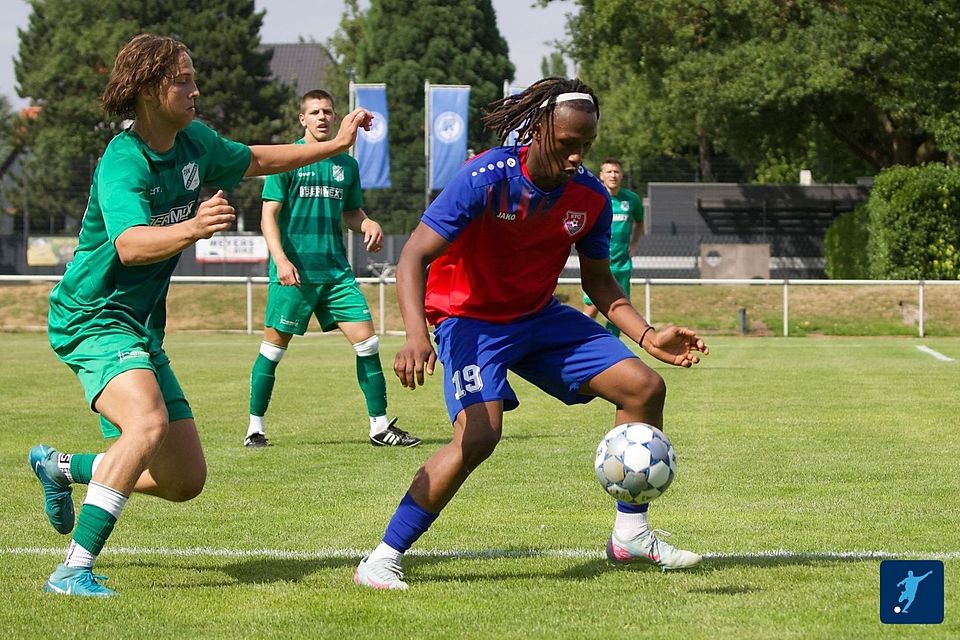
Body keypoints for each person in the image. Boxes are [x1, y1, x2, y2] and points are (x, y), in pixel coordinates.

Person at [27, 33, 372, 597]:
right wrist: (193, 226)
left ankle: (63, 467)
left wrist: (335, 146)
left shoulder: (196, 142)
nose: (194, 88)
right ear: (146, 91)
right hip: (91, 316)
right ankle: (72, 569)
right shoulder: (124, 158)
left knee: (184, 480)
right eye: (181, 79)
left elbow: (259, 157)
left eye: (193, 76)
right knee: (147, 424)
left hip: (138, 327)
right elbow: (132, 245)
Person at [354, 77, 709, 590]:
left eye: (586, 146)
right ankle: (382, 556)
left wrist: (647, 335)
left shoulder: (589, 197)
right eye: (568, 145)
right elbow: (413, 256)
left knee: (644, 387)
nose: (577, 158)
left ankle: (630, 534)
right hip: (468, 319)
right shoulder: (484, 177)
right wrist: (415, 333)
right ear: (540, 130)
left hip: (537, 316)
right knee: (479, 436)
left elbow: (600, 282)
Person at [243, 90, 420, 449]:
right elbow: (268, 216)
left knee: (368, 344)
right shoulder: (287, 159)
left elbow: (351, 213)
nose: (322, 117)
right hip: (294, 273)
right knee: (273, 351)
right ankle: (254, 428)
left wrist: (367, 223)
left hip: (336, 273)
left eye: (327, 111)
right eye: (314, 112)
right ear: (302, 119)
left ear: (335, 116)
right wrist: (280, 259)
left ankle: (379, 426)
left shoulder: (347, 165)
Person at [582, 158, 644, 337]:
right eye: (609, 172)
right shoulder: (595, 197)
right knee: (591, 307)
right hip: (597, 262)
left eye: (616, 172)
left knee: (619, 309)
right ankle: (576, 342)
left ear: (622, 175)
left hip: (621, 264)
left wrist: (634, 245)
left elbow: (640, 222)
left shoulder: (631, 199)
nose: (613, 175)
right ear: (601, 175)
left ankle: (613, 353)